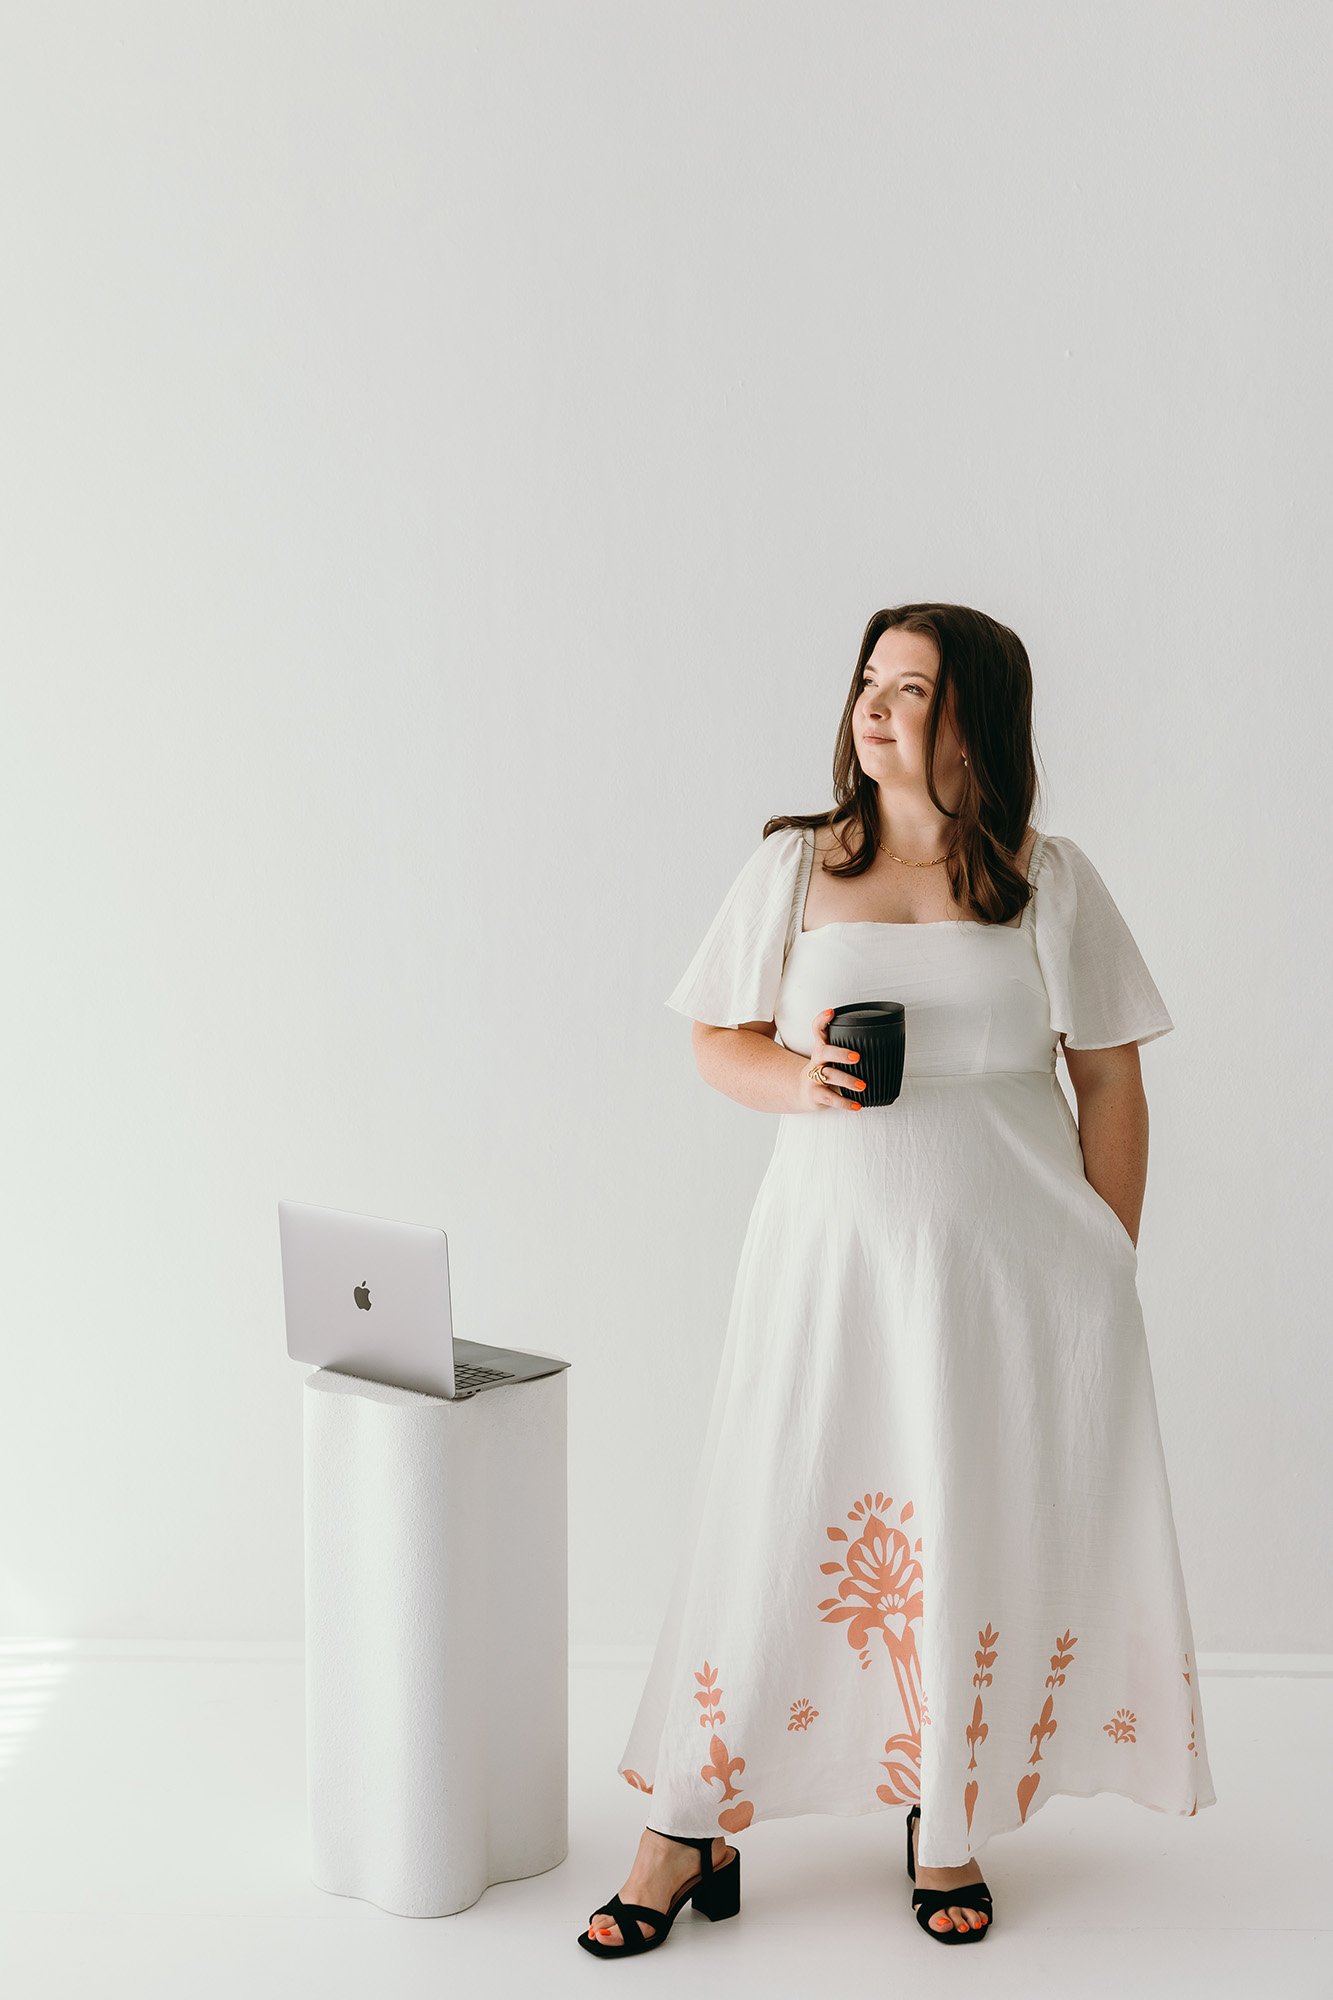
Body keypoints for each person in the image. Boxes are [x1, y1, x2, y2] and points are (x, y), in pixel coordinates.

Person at [577, 602, 1215, 1958]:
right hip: (829, 1262)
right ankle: (687, 1822)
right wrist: (802, 1080)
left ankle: (946, 1812)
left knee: (965, 1518)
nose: (873, 707)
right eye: (869, 681)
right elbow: (717, 1040)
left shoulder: (1047, 880)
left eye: (911, 689)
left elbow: (1109, 1077)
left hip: (1009, 1278)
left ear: (974, 716)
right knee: (772, 1511)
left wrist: (1109, 1256)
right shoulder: (796, 866)